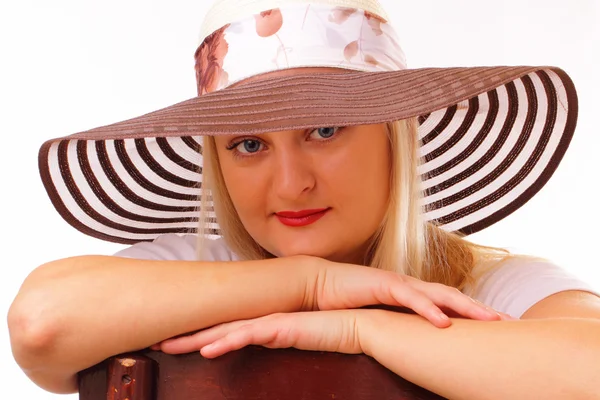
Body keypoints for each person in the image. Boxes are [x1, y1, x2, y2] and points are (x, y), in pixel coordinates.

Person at [8, 0, 600, 398]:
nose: (291, 184)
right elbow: (40, 324)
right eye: (248, 143)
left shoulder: (488, 287)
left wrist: (360, 330)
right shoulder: (189, 273)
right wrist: (312, 283)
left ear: (395, 138)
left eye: (324, 130)